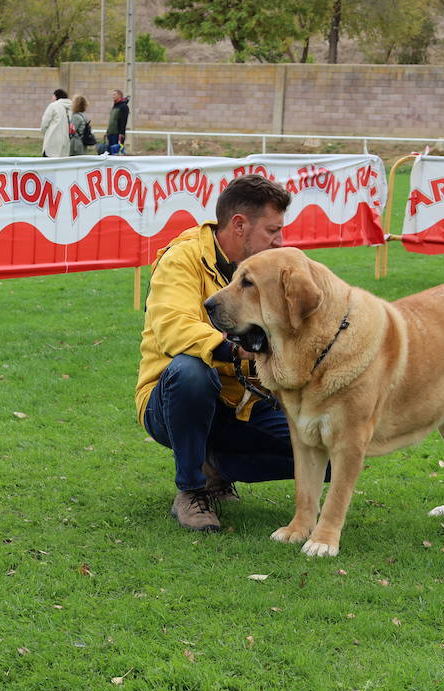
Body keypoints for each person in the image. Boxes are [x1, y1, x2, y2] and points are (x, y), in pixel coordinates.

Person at [135, 174, 294, 532]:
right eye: (272, 230)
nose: (280, 240)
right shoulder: (183, 258)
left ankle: (217, 467)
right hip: (171, 399)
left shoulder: (271, 267)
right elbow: (174, 326)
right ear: (239, 225)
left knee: (329, 450)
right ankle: (190, 491)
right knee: (192, 372)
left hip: (245, 402)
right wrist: (238, 349)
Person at [40, 88, 72, 159]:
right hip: (66, 140)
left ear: (56, 96)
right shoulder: (70, 107)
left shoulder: (53, 106)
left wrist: (43, 131)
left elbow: (45, 121)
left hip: (52, 138)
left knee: (48, 162)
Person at [104, 89, 130, 154]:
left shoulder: (123, 107)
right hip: (111, 133)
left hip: (117, 134)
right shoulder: (115, 106)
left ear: (120, 95)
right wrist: (107, 131)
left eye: (114, 94)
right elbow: (112, 121)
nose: (113, 96)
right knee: (110, 153)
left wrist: (121, 133)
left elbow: (123, 121)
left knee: (116, 153)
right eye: (113, 95)